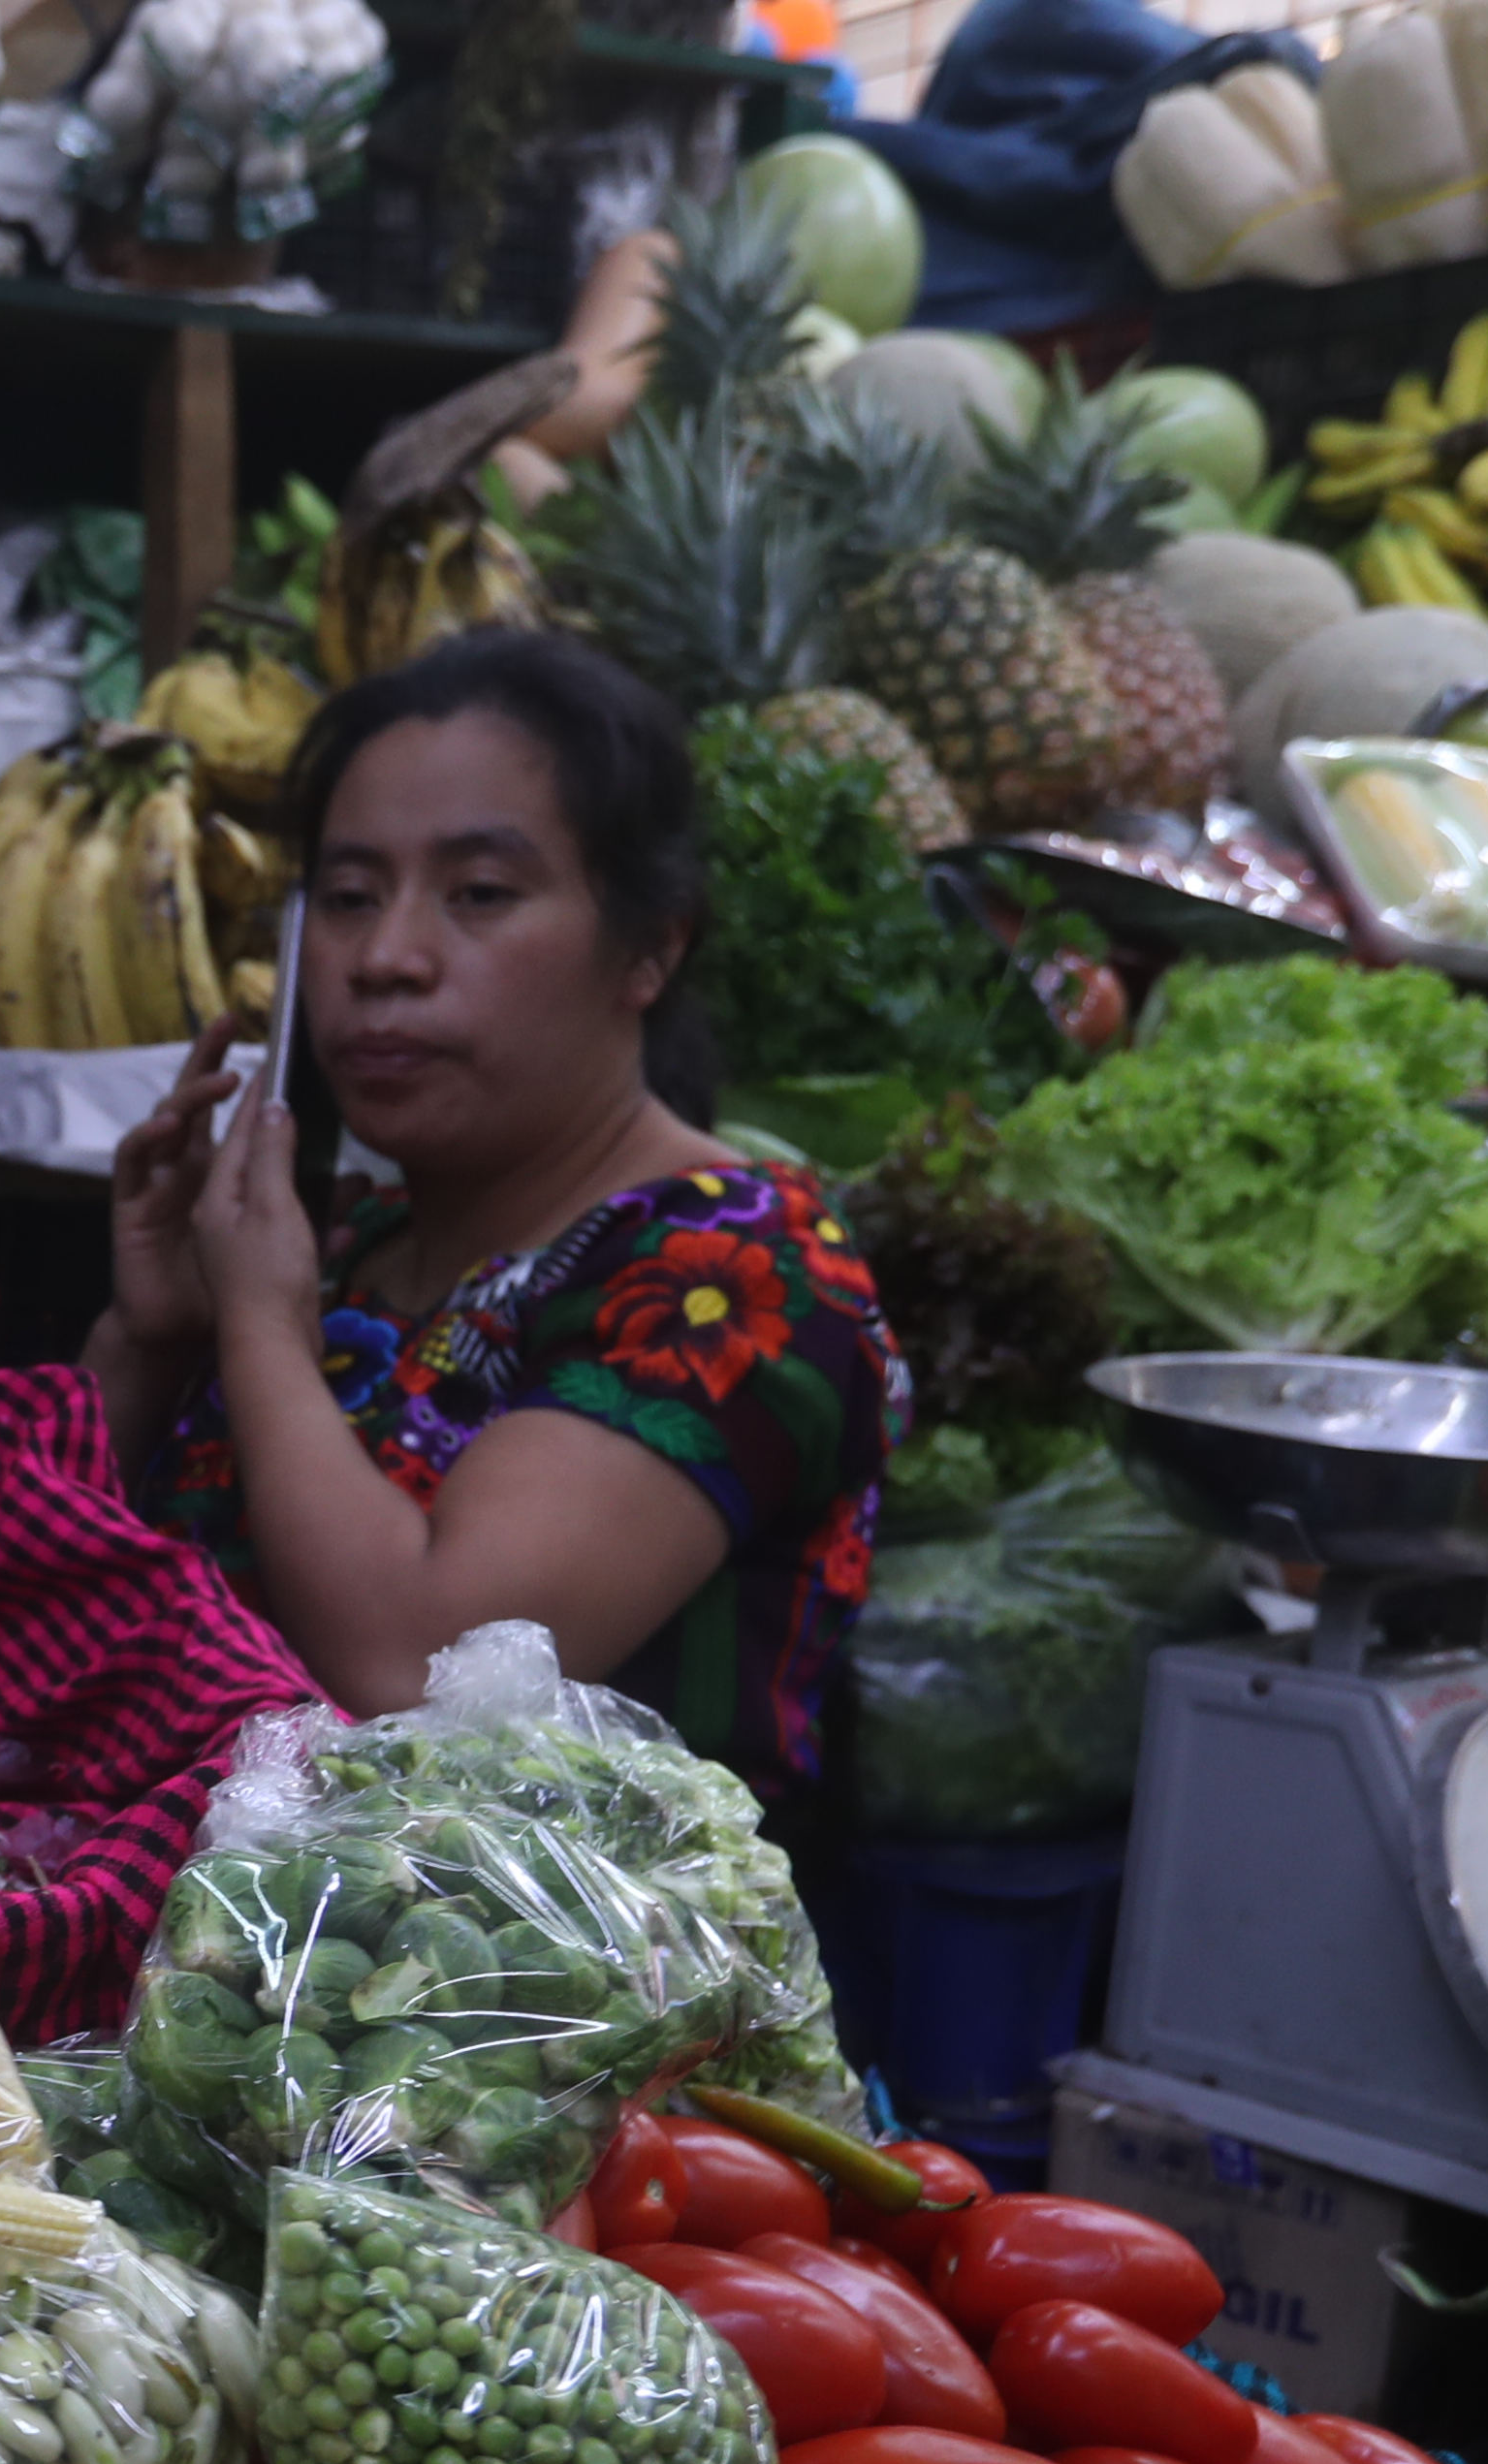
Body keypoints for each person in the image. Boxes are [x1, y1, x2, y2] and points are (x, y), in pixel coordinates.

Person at [82, 624, 903, 1811]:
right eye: (352, 899)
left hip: (545, 1988)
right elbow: (31, 1602)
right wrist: (149, 1343)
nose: (388, 958)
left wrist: (259, 1325)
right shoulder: (347, 1250)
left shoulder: (737, 1267)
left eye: (479, 894)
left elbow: (415, 1666)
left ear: (648, 949)